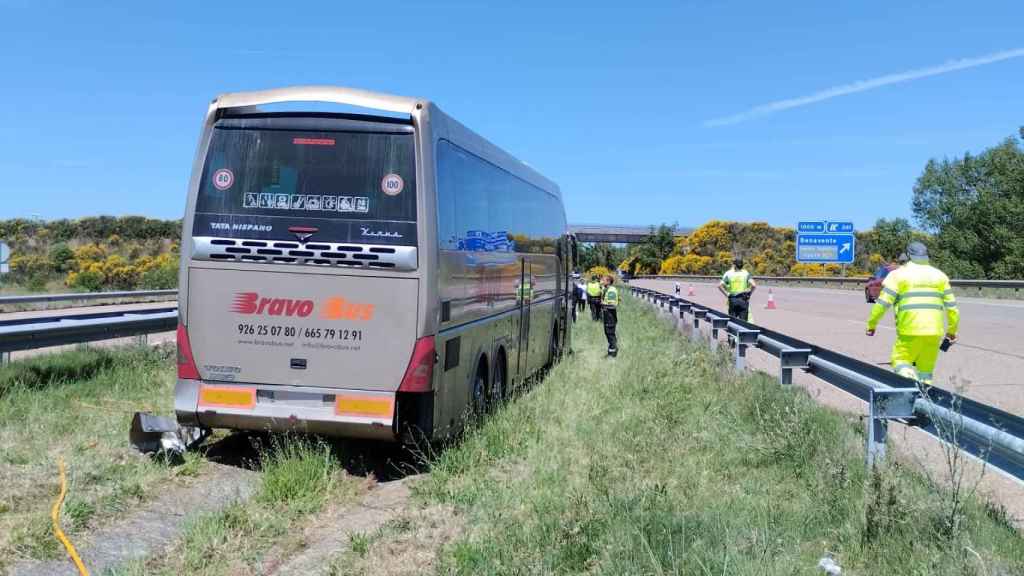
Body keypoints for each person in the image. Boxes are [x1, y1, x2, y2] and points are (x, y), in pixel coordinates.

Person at [866, 242, 959, 387]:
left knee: (900, 361)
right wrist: (952, 331)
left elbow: (882, 304)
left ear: (908, 256)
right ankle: (925, 396)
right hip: (934, 332)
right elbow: (952, 308)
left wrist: (871, 325)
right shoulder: (940, 276)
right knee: (926, 371)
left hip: (909, 330)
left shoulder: (897, 275)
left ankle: (911, 387)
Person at [601, 274, 619, 356]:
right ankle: (612, 349)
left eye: (603, 280)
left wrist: (603, 304)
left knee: (610, 334)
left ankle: (612, 354)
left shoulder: (612, 290)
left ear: (608, 281)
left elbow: (612, 305)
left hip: (610, 316)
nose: (602, 281)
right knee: (608, 333)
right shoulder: (606, 289)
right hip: (607, 315)